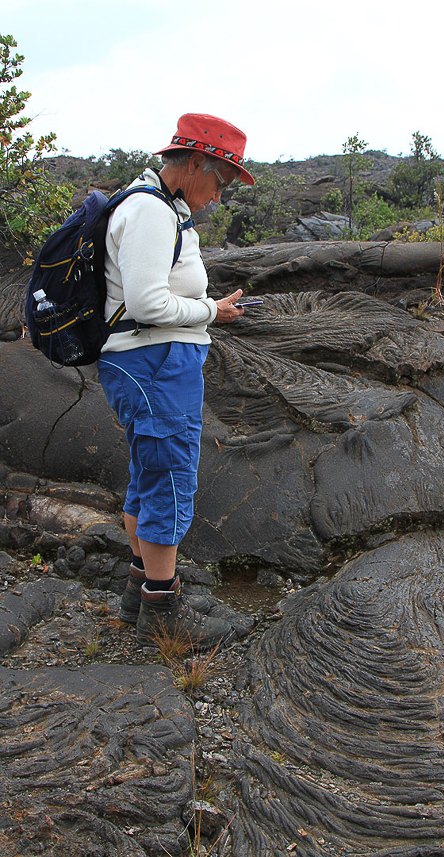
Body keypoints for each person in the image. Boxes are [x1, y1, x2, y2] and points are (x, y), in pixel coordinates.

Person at [97, 114, 255, 650]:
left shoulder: (160, 205)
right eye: (222, 179)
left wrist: (207, 310)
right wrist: (211, 309)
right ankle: (164, 612)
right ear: (194, 164)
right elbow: (145, 304)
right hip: (152, 364)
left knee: (149, 474)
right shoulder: (148, 210)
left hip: (155, 361)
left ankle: (140, 594)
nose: (220, 195)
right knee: (168, 476)